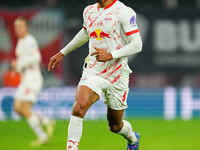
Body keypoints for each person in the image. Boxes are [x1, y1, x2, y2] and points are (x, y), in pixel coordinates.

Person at [48, 0, 143, 150]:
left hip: (117, 73)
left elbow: (137, 44)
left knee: (115, 126)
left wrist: (112, 55)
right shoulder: (89, 10)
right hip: (94, 68)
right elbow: (86, 32)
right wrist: (62, 52)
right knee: (80, 106)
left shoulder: (124, 12)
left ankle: (132, 139)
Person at [14, 17, 54, 146]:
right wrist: (18, 65)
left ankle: (42, 136)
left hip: (32, 78)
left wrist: (20, 64)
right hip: (25, 79)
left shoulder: (30, 41)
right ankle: (45, 120)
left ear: (25, 27)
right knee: (17, 108)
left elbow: (37, 58)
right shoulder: (20, 42)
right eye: (16, 27)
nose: (17, 29)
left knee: (25, 108)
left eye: (20, 26)